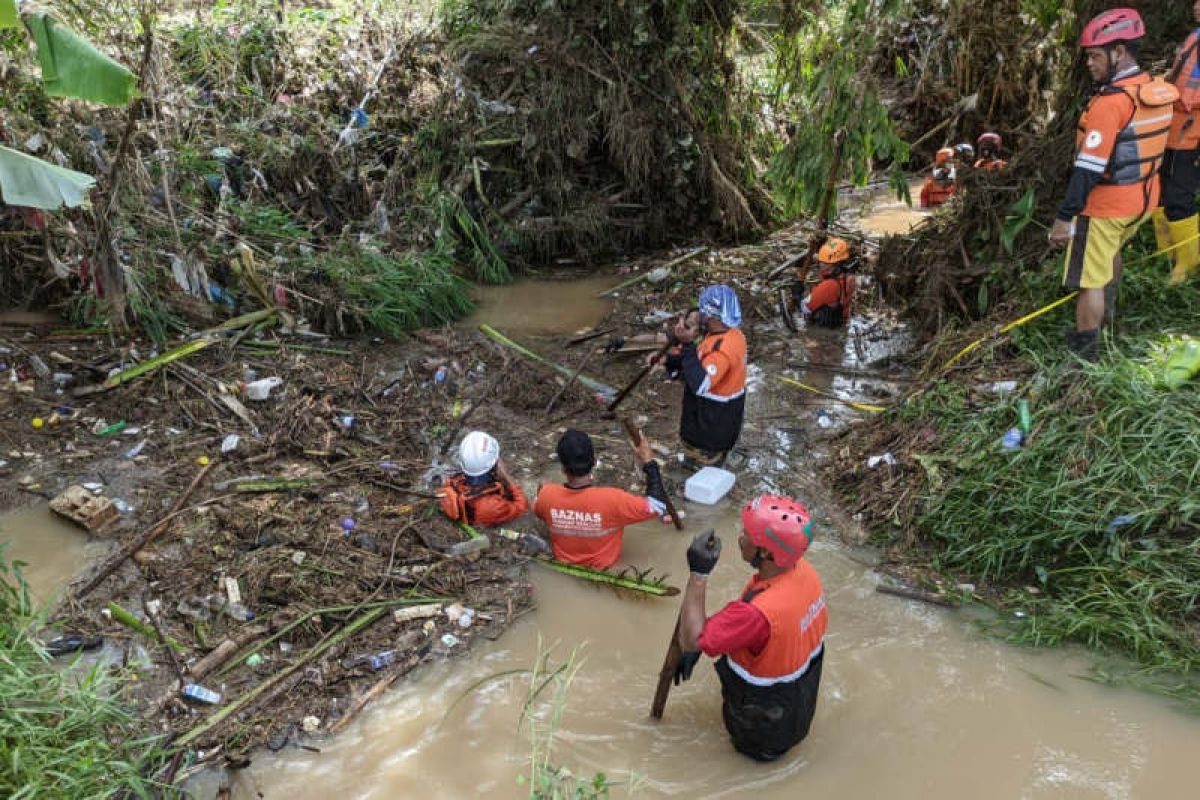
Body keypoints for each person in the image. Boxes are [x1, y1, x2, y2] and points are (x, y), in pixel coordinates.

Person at [1048, 8, 1177, 361]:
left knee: (1090, 280)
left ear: (1119, 52)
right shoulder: (1154, 90)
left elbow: (1088, 171)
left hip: (1105, 207)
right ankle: (1108, 325)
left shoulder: (1110, 104)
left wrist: (1064, 218)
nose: (1089, 63)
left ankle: (1084, 359)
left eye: (1094, 55)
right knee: (1110, 257)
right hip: (1142, 203)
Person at [675, 495, 829, 762]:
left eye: (747, 534)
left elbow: (690, 640)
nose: (740, 538)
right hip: (796, 708)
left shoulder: (756, 614)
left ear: (766, 553)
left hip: (760, 731)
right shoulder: (804, 572)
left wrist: (698, 575)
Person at [532, 428, 668, 569]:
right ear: (594, 462)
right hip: (605, 569)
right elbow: (657, 505)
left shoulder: (546, 495)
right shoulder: (614, 499)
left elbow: (537, 510)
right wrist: (649, 461)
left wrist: (545, 494)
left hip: (565, 565)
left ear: (562, 468)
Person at [663, 284, 747, 467]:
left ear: (711, 315)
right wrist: (669, 360)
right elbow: (699, 358)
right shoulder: (729, 334)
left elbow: (700, 384)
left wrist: (686, 345)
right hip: (712, 418)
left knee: (705, 464)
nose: (699, 315)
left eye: (702, 311)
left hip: (713, 423)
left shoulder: (723, 349)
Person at [1152, 1, 1200, 285]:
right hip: (1171, 128)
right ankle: (1167, 255)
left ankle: (1189, 264)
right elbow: (1178, 78)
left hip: (1190, 133)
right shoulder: (1195, 37)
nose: (1196, 7)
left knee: (1179, 196)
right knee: (1160, 191)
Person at [438, 431, 529, 526]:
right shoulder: (493, 507)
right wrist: (506, 476)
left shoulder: (454, 481)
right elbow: (523, 508)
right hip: (488, 512)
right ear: (494, 466)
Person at [801, 237, 858, 328]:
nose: (821, 265)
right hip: (842, 322)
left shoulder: (829, 286)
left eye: (826, 263)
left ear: (838, 264)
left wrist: (797, 295)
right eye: (821, 262)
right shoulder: (850, 277)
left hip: (824, 330)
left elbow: (805, 308)